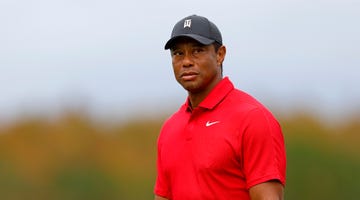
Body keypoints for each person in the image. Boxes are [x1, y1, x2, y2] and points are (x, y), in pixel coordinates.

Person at [154, 14, 286, 200]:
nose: (186, 61)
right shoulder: (170, 128)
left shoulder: (252, 119)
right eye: (178, 53)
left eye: (197, 51)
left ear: (220, 55)